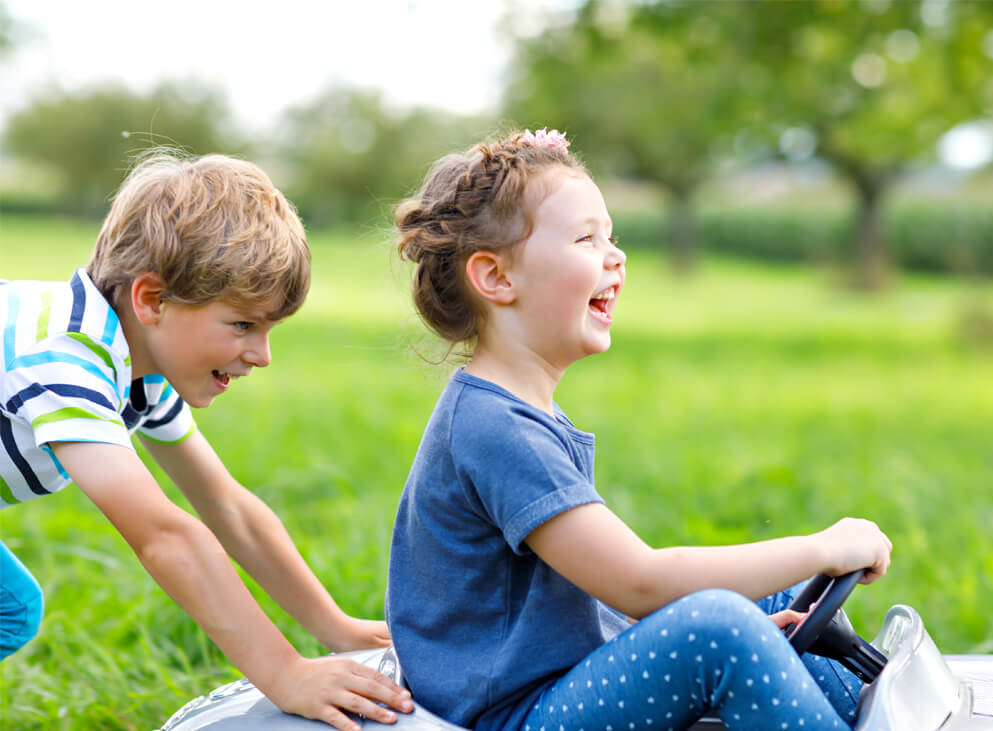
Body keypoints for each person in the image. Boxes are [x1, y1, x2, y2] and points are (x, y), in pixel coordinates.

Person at [385, 129, 893, 731]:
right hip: (516, 717)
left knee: (772, 599)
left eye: (612, 236)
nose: (615, 255)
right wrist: (823, 547)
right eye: (585, 238)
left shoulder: (516, 412)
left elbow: (589, 605)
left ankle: (880, 716)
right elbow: (639, 582)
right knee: (718, 629)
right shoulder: (496, 427)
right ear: (496, 278)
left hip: (554, 684)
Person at [0, 151, 413, 731]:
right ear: (152, 300)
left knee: (9, 611)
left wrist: (333, 625)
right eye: (243, 325)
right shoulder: (61, 355)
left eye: (269, 329)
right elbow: (163, 535)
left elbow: (227, 506)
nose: (261, 355)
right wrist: (285, 673)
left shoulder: (139, 369)